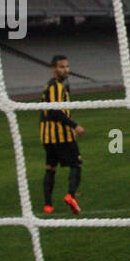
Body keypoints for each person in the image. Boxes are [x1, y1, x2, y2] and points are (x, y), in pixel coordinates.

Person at [40, 55, 85, 214]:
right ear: (53, 69)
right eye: (61, 67)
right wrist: (74, 125)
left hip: (47, 136)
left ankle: (48, 206)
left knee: (50, 168)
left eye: (67, 66)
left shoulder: (50, 86)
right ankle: (71, 195)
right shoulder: (56, 86)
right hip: (60, 135)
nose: (66, 69)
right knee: (76, 163)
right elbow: (54, 112)